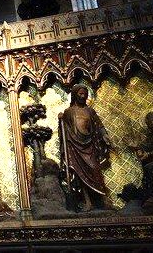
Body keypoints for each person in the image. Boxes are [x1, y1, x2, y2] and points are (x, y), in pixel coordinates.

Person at [58, 84, 110, 212]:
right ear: (75, 95)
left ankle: (103, 200)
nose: (83, 96)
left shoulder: (90, 111)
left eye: (85, 94)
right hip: (74, 145)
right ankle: (87, 202)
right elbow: (64, 130)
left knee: (94, 169)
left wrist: (104, 135)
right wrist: (61, 120)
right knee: (80, 174)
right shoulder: (69, 112)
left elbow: (98, 125)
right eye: (80, 94)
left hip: (89, 144)